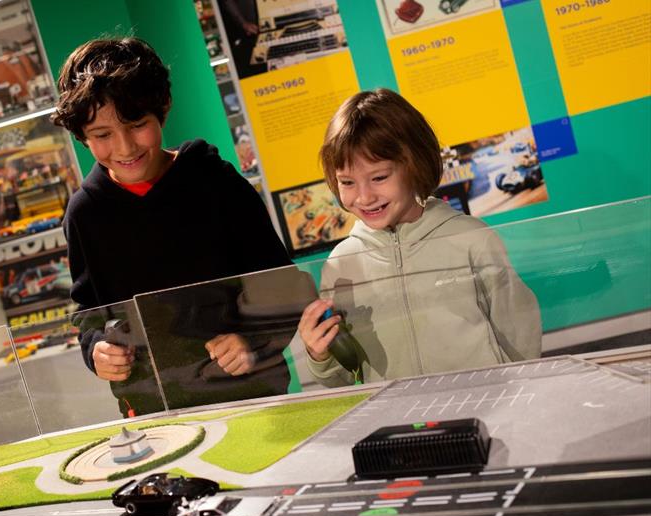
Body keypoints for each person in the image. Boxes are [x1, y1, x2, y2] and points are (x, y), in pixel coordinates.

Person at [52, 37, 293, 415]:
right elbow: (90, 311)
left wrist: (252, 341)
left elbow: (282, 284)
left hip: (252, 396)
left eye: (137, 124)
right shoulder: (84, 213)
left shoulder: (217, 181)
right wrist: (95, 347)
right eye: (102, 135)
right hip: (155, 411)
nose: (125, 147)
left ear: (163, 109)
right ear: (81, 136)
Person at [299, 88, 542, 387]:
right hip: (397, 420)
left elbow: (520, 335)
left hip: (486, 409)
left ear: (414, 165)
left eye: (379, 177)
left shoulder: (472, 239)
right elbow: (343, 380)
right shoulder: (340, 265)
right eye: (347, 182)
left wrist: (523, 397)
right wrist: (319, 355)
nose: (363, 196)